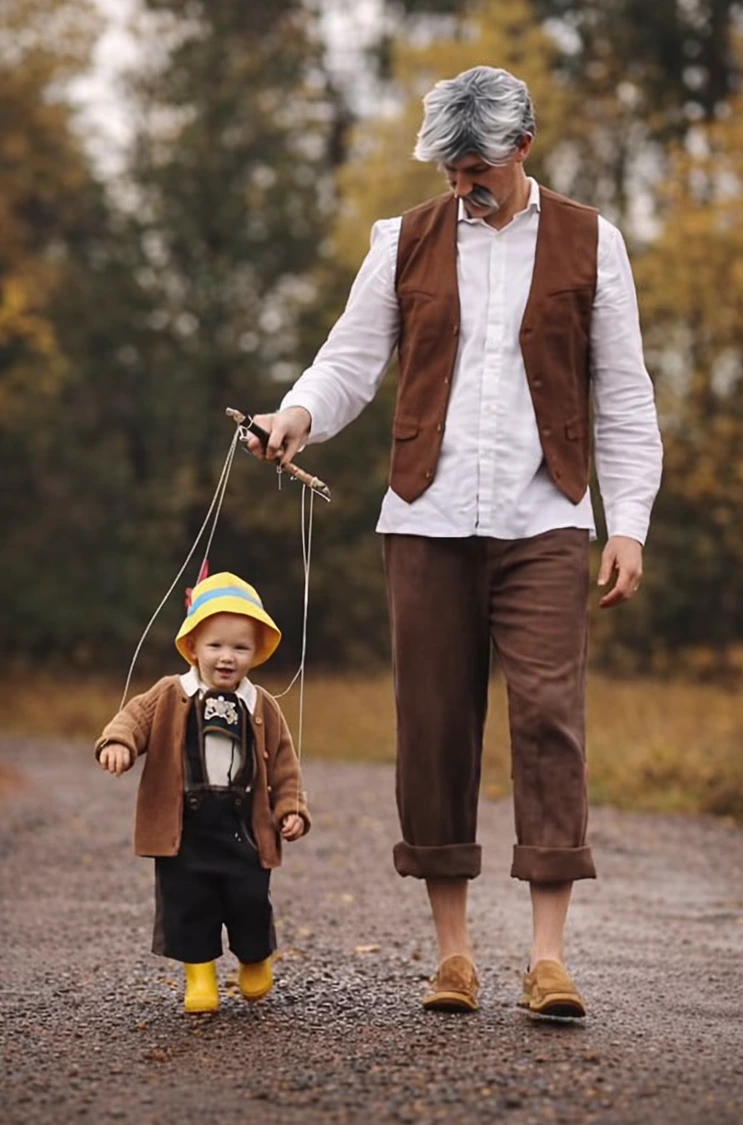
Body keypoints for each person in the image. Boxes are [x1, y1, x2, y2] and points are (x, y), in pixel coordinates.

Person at [248, 66, 662, 1017]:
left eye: (474, 164)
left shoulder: (594, 240)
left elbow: (626, 392)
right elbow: (351, 359)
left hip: (548, 518)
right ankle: (454, 955)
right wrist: (298, 412)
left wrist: (628, 521)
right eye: (446, 166)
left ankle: (548, 958)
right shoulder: (401, 240)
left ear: (524, 147)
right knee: (434, 730)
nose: (459, 182)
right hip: (425, 518)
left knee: (550, 722)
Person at [95, 571, 310, 1013]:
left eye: (240, 647)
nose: (226, 657)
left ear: (256, 654)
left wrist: (290, 808)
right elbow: (132, 719)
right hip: (185, 826)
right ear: (193, 647)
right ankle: (200, 979)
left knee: (250, 899)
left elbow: (285, 765)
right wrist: (118, 742)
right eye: (215, 646)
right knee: (188, 905)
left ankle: (254, 958)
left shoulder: (261, 705)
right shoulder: (169, 693)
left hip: (243, 827)